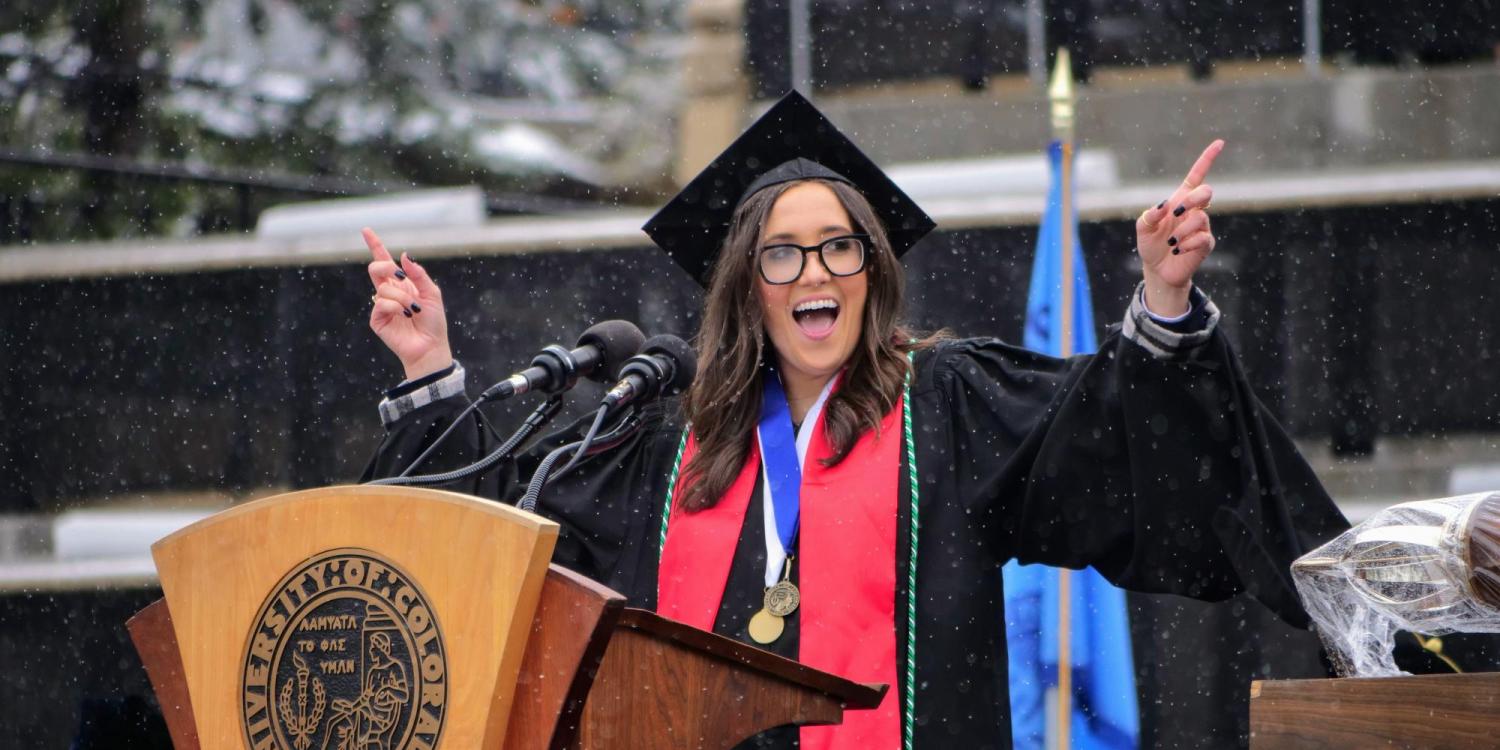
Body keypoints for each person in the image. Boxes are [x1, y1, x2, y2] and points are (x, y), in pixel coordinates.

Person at [360, 91, 1347, 749]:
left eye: (841, 248)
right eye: (783, 255)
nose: (816, 272)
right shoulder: (664, 444)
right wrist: (429, 366)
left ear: (873, 275)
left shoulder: (948, 405)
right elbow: (498, 548)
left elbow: (1109, 437)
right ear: (748, 288)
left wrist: (1164, 299)